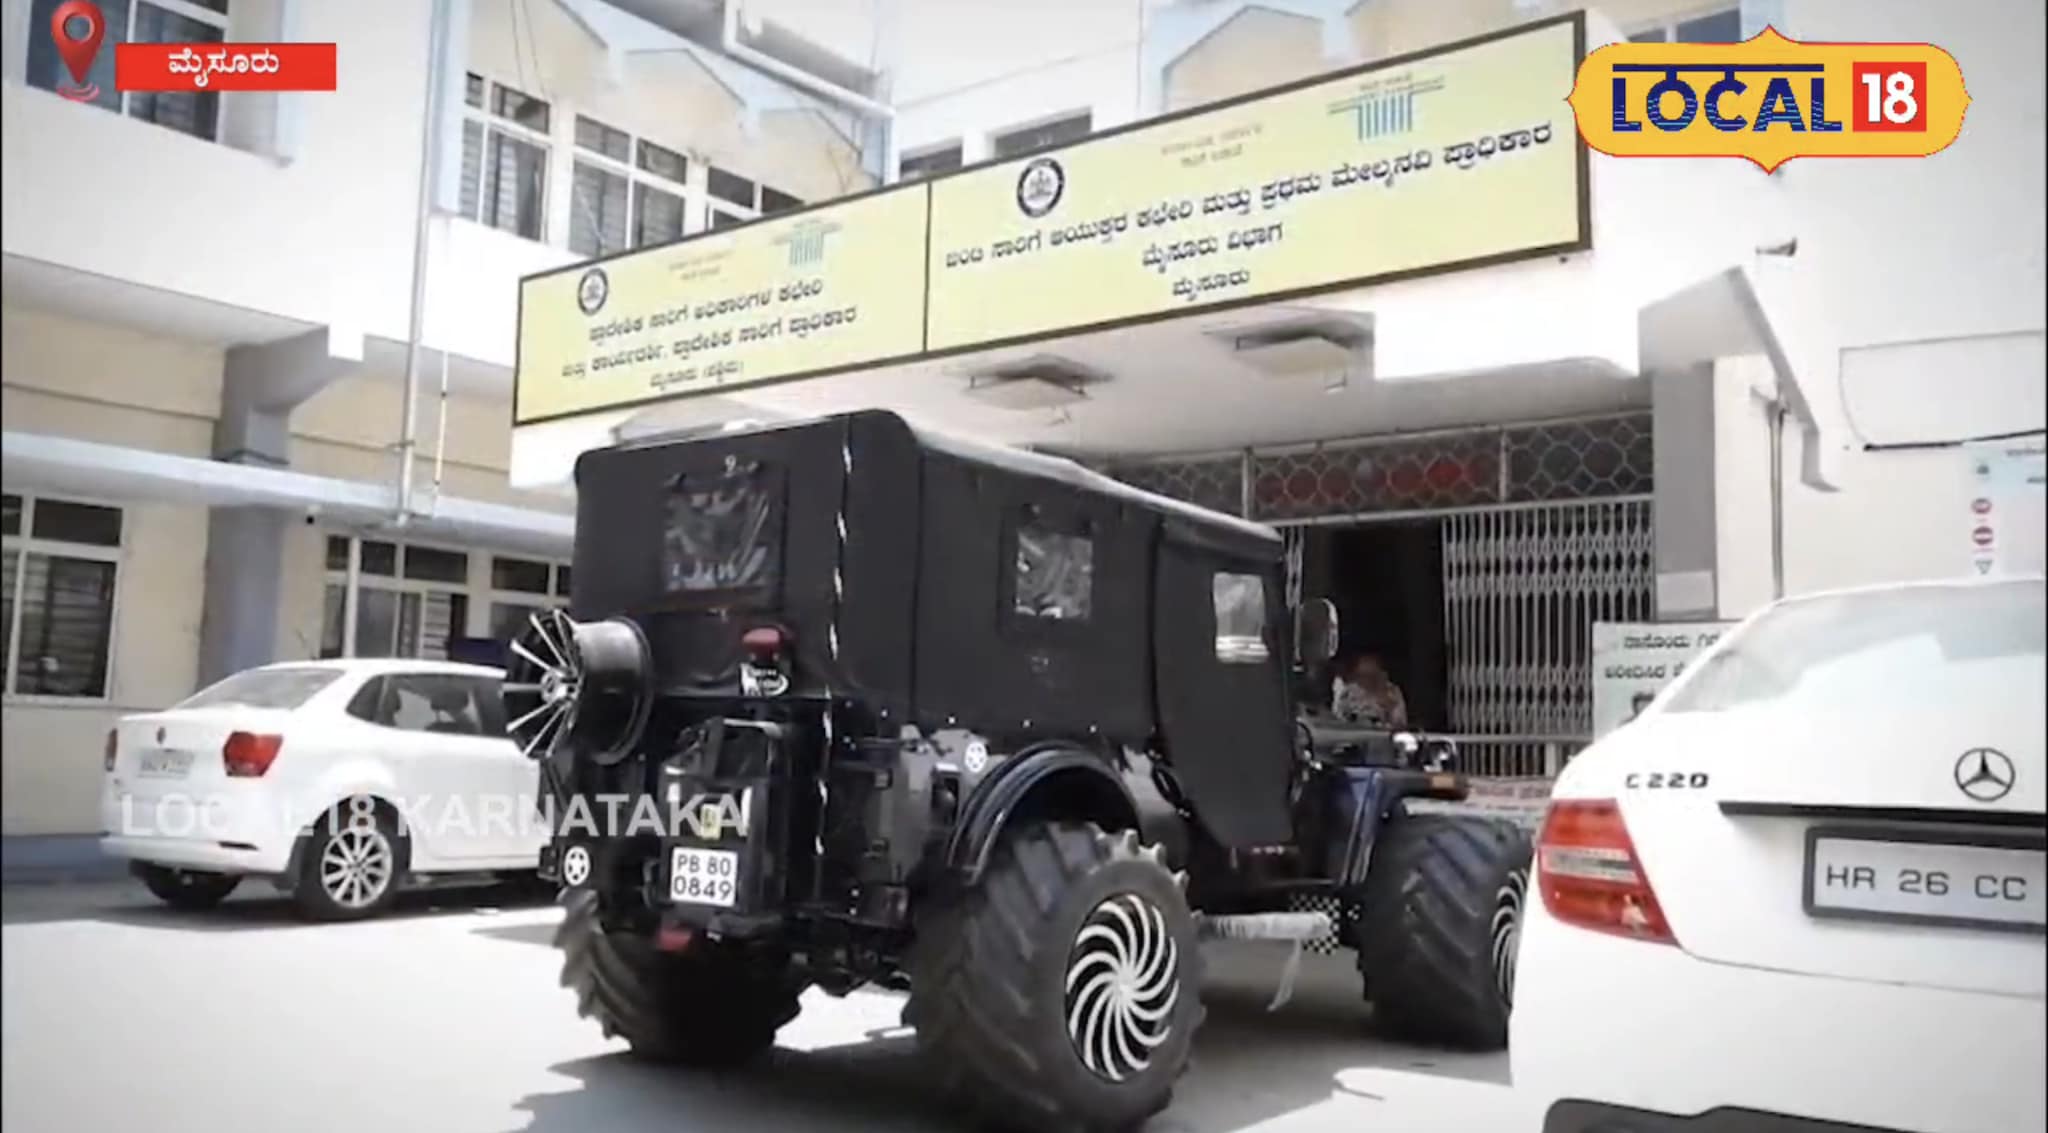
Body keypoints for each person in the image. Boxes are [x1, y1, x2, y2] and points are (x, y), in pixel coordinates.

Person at [1331, 652, 1410, 730]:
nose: (1366, 680)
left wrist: (1387, 701)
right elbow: (1338, 718)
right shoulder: (1349, 692)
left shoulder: (1392, 691)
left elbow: (1400, 724)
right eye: (1362, 676)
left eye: (1371, 676)